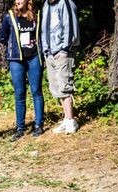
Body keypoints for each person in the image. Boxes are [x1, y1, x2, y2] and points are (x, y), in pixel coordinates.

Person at [0, 0, 45, 140]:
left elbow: (42, 34)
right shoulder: (10, 16)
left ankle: (38, 125)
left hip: (34, 58)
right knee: (19, 93)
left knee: (36, 91)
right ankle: (20, 128)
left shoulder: (37, 14)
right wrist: (14, 45)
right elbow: (3, 37)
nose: (18, 1)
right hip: (16, 60)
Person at [42, 0, 79, 134]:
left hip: (63, 52)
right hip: (50, 53)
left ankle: (71, 120)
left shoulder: (65, 3)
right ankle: (66, 118)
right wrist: (45, 51)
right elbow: (45, 29)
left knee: (65, 85)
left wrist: (64, 50)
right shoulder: (47, 4)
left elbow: (69, 25)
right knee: (56, 87)